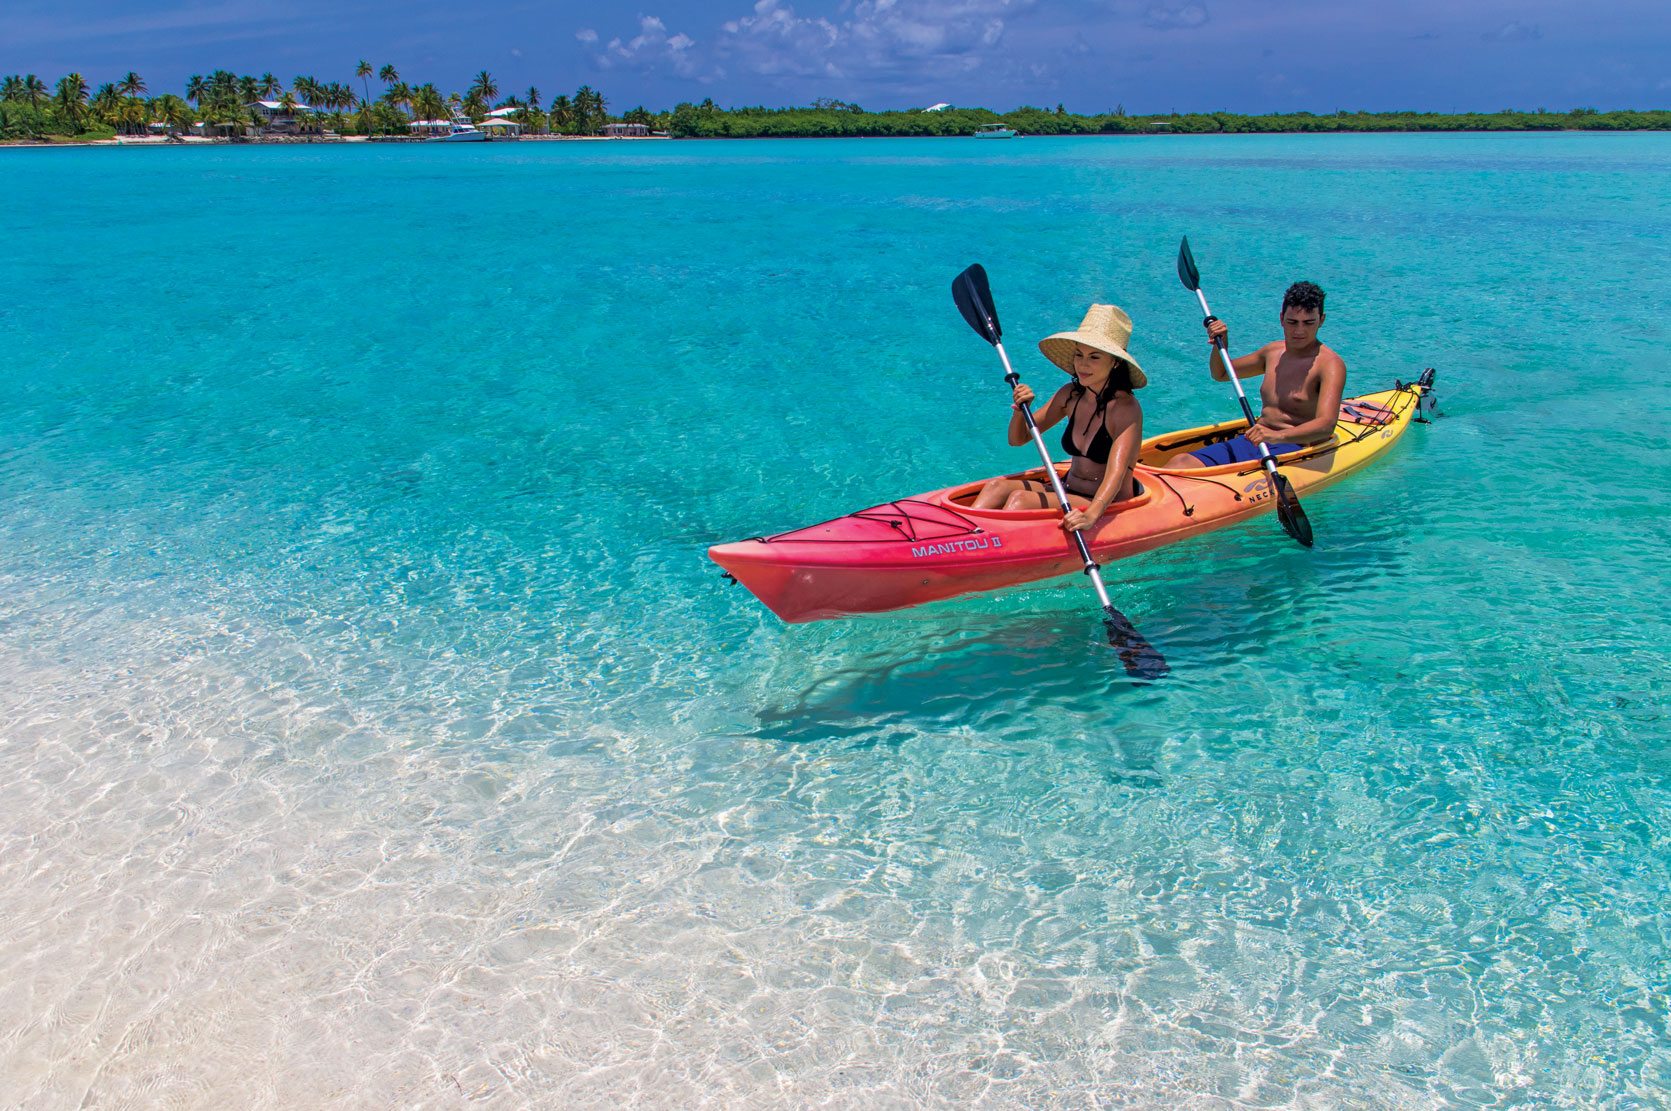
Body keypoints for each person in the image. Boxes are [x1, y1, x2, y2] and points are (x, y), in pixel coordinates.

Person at [973, 304, 1145, 531]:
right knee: (995, 487)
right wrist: (1020, 410)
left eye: (1094, 357)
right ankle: (964, 538)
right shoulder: (1070, 395)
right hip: (1068, 490)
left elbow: (1117, 472)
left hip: (1106, 501)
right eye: (1079, 355)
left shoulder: (1126, 408)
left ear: (1115, 362)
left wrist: (1091, 516)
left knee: (1020, 500)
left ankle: (987, 546)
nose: (1083, 364)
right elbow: (1018, 439)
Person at [1166, 281, 1346, 469]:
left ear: (1321, 320)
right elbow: (1221, 373)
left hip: (1296, 448)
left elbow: (1326, 425)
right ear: (1281, 318)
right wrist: (1221, 345)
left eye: (1309, 323)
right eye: (1292, 322)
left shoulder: (1329, 364)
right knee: (1180, 462)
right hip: (1256, 439)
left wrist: (1277, 436)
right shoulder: (1272, 353)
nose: (1299, 331)